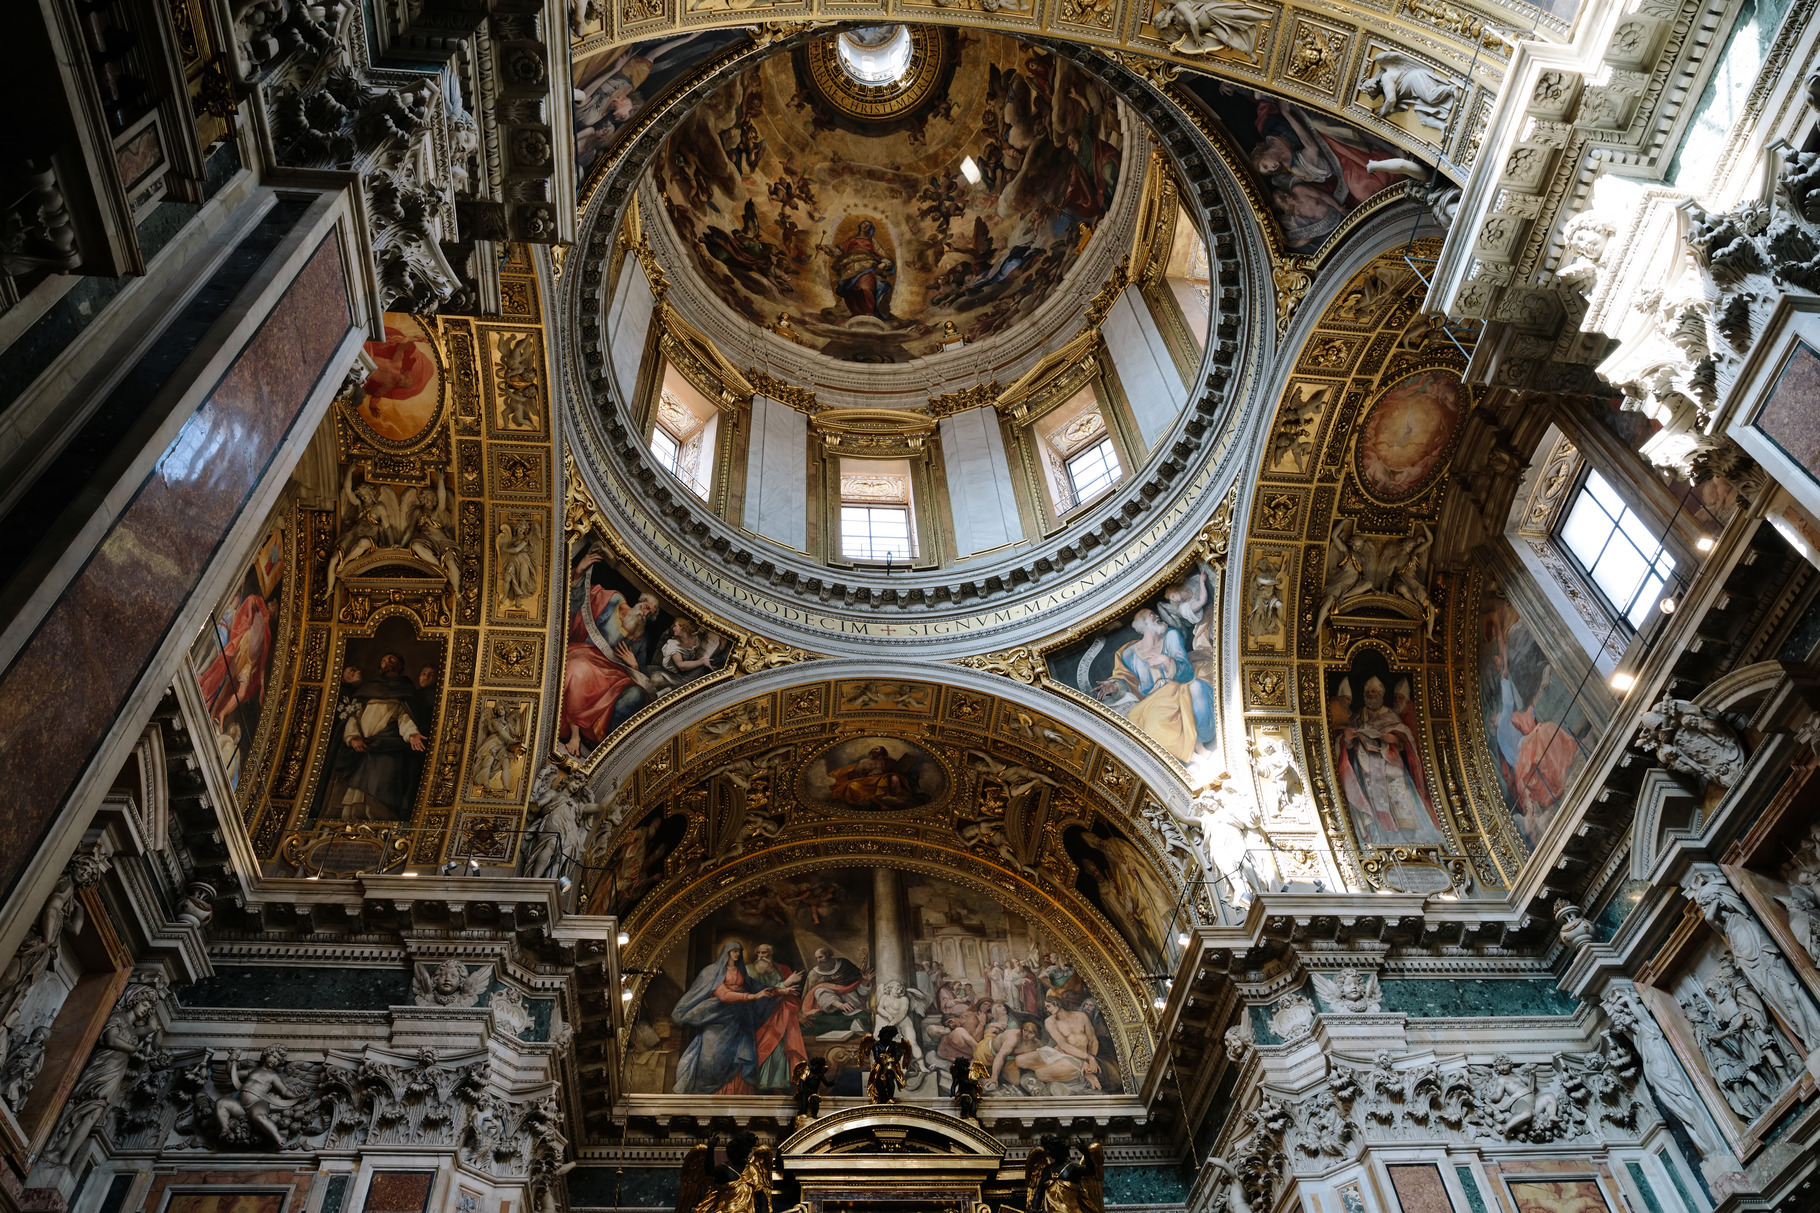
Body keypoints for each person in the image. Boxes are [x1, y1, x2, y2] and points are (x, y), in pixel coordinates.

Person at [561, 551, 659, 754]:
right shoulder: (612, 600)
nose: (646, 613)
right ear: (640, 601)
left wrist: (634, 666)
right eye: (646, 606)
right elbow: (580, 600)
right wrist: (579, 571)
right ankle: (575, 735)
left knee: (636, 696)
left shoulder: (642, 638)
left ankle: (600, 745)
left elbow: (643, 674)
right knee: (577, 668)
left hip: (613, 674)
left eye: (651, 613)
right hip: (584, 652)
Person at [1332, 675, 1445, 847]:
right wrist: (1347, 740)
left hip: (1390, 767)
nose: (1371, 695)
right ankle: (1381, 840)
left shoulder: (1390, 715)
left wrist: (1395, 740)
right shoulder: (1357, 716)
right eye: (1368, 692)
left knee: (1401, 803)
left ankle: (1410, 840)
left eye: (1374, 692)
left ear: (1381, 694)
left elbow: (1406, 738)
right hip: (1367, 767)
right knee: (1374, 802)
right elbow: (1347, 741)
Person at [319, 653, 428, 821]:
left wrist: (411, 734)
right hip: (360, 751)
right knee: (353, 808)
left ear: (400, 665)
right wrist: (353, 737)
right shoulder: (368, 688)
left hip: (387, 751)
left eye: (392, 659)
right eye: (384, 659)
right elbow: (354, 715)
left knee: (378, 802)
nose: (387, 662)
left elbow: (404, 717)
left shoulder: (405, 689)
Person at [672, 941, 788, 1095]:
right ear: (726, 952)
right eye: (734, 951)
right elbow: (724, 995)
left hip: (739, 1018)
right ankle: (707, 1092)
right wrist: (753, 996)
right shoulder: (712, 972)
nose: (737, 954)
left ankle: (735, 1094)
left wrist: (779, 991)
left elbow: (756, 987)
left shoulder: (741, 971)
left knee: (738, 1056)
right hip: (717, 1016)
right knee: (711, 1058)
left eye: (739, 951)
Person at [827, 220, 896, 318]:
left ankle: (868, 313)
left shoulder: (872, 241)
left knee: (865, 288)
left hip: (867, 266)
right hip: (851, 267)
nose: (865, 226)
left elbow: (881, 254)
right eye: (864, 223)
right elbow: (840, 251)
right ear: (860, 225)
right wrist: (827, 248)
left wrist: (884, 263)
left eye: (868, 225)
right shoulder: (851, 240)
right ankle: (856, 313)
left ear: (870, 229)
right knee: (852, 290)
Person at [828, 747, 916, 809]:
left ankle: (897, 796)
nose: (874, 750)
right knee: (852, 785)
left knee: (895, 777)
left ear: (882, 751)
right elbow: (854, 774)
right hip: (866, 780)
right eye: (873, 749)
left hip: (881, 779)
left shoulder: (889, 761)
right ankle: (876, 802)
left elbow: (897, 769)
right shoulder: (865, 761)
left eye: (877, 749)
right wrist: (862, 772)